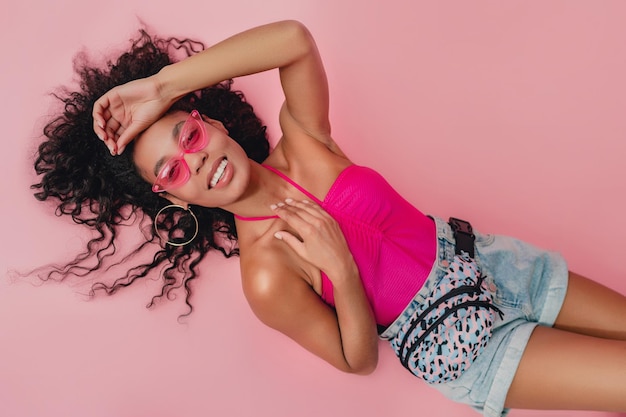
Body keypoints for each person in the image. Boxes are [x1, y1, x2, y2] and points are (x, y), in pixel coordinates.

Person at [33, 20, 626, 417]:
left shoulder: (305, 143)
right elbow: (356, 360)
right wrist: (341, 272)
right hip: (461, 340)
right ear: (174, 199)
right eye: (174, 170)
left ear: (207, 121)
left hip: (494, 260)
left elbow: (294, 39)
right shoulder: (265, 275)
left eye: (188, 135)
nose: (198, 159)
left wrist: (161, 85)